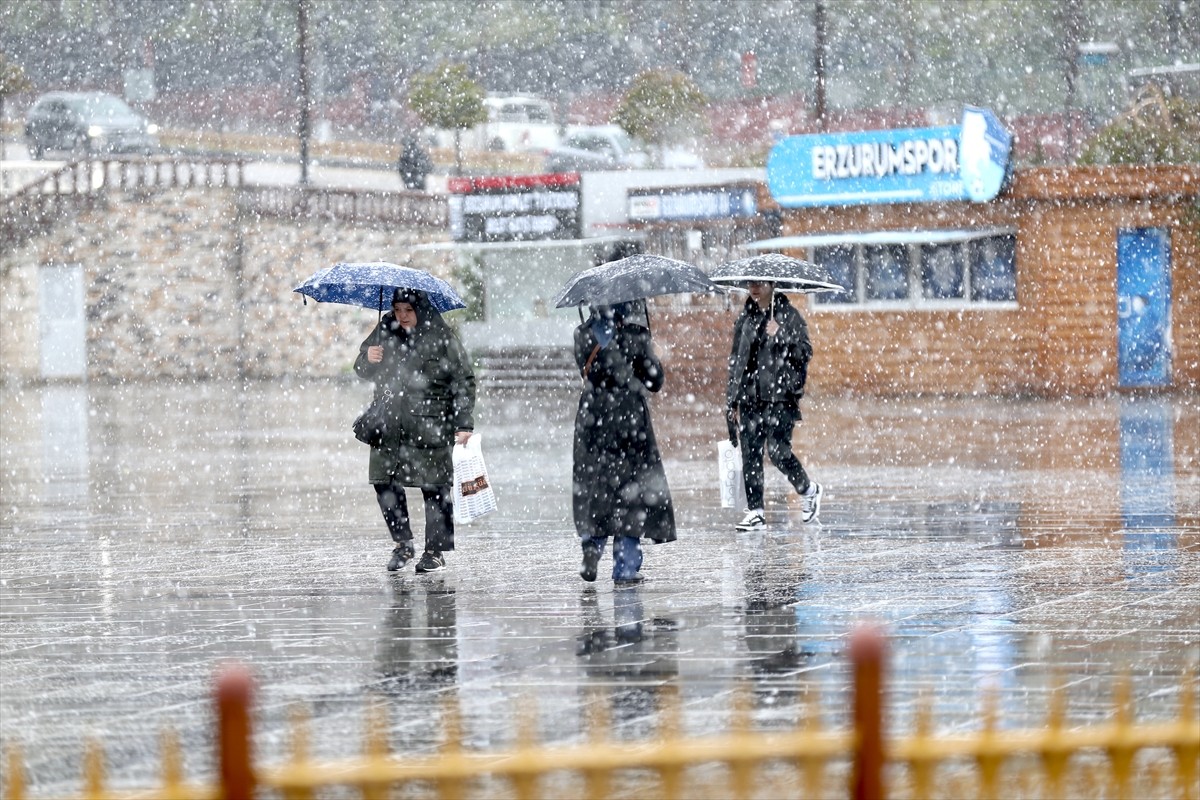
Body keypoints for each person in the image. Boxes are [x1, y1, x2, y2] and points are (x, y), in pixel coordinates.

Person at [354, 288, 475, 572]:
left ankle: (435, 552)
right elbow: (362, 367)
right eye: (397, 310)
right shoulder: (384, 330)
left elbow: (463, 379)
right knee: (384, 482)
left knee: (434, 486)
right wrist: (367, 359)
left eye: (408, 310)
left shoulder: (442, 338)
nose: (402, 316)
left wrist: (464, 423)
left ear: (420, 309)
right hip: (388, 424)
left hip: (430, 424)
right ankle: (403, 544)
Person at [573, 300, 676, 584]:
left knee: (596, 486)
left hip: (592, 418)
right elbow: (655, 382)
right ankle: (625, 568)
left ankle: (592, 547)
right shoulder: (636, 336)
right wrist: (650, 352)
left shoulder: (582, 335)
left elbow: (588, 371)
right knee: (630, 493)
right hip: (630, 420)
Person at [725, 280, 822, 529]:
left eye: (759, 283)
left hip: (780, 397)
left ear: (772, 285)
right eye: (750, 283)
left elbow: (805, 352)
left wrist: (782, 334)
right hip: (750, 397)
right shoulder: (745, 318)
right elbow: (736, 361)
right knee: (751, 454)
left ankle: (808, 489)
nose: (753, 287)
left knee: (778, 453)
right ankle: (756, 511)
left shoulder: (789, 315)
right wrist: (731, 400)